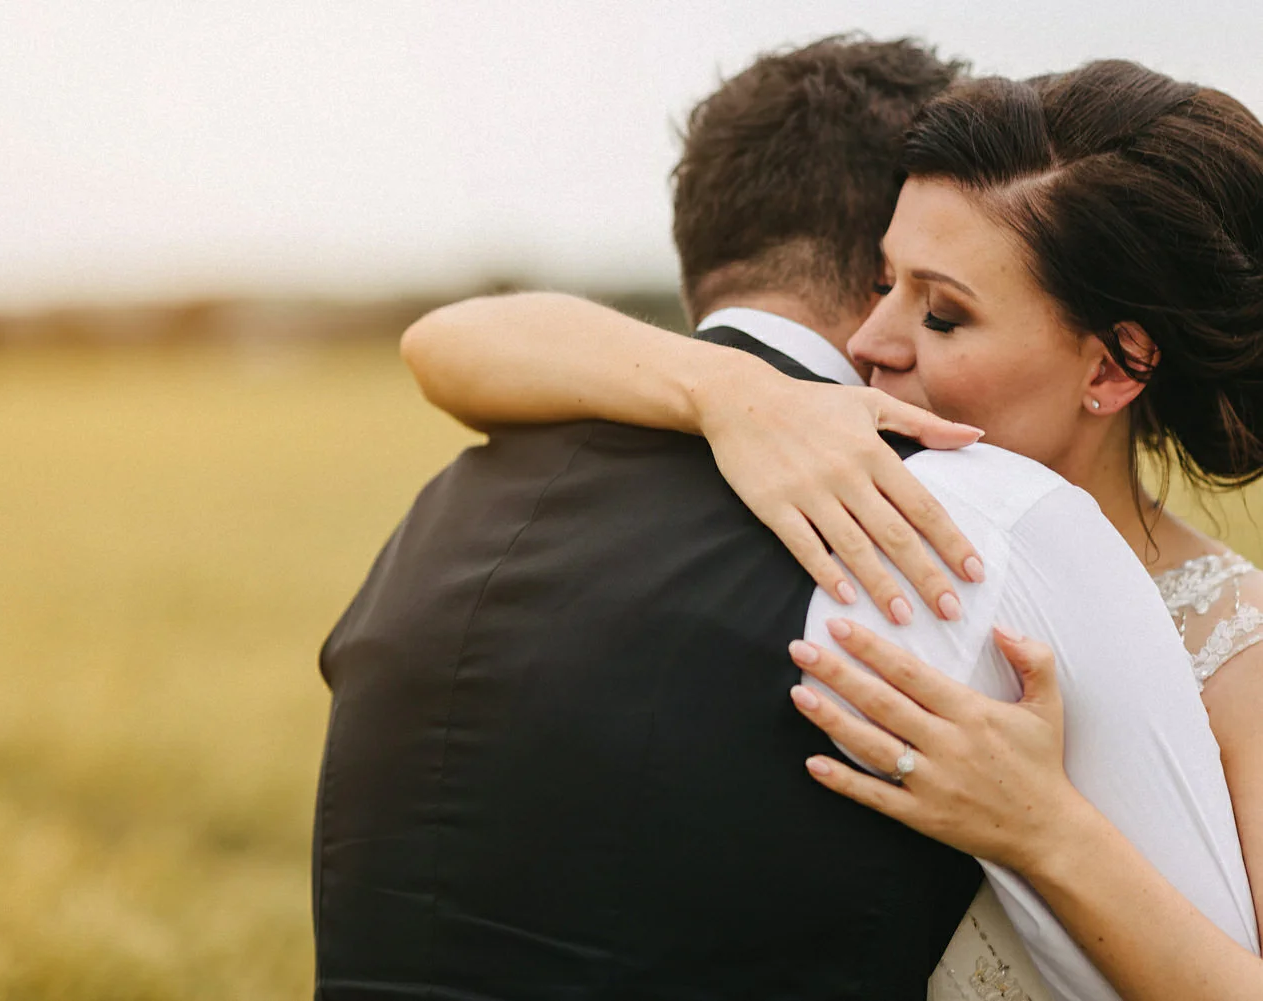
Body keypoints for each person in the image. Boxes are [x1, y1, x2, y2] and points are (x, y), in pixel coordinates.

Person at [322, 39, 1250, 1000]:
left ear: (1111, 367)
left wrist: (1044, 830)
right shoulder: (893, 512)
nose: (868, 340)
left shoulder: (1235, 644)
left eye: (942, 315)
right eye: (885, 282)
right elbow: (444, 344)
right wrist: (728, 390)